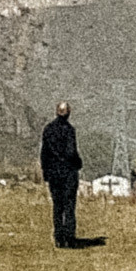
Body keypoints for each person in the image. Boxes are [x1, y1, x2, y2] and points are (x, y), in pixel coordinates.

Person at [41, 98, 82, 249]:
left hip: (53, 173)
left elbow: (44, 153)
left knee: (57, 206)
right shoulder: (69, 130)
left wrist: (45, 172)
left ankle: (59, 237)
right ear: (68, 113)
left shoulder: (48, 129)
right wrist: (78, 163)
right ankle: (70, 237)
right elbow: (71, 152)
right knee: (69, 205)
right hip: (68, 172)